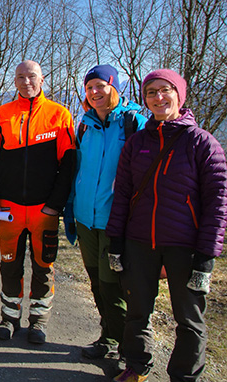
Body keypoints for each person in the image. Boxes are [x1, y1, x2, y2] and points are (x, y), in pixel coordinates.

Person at [106, 69, 227, 382]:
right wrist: (116, 241)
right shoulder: (136, 143)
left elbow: (218, 204)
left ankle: (185, 376)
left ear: (179, 94)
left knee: (189, 320)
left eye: (165, 90)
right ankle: (136, 366)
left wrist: (206, 257)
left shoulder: (202, 143)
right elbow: (122, 195)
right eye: (151, 93)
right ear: (145, 99)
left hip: (184, 246)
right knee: (137, 311)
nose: (158, 98)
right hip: (139, 242)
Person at [0, 60, 76, 344]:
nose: (26, 82)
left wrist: (55, 205)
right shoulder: (1, 115)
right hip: (8, 210)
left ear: (42, 79)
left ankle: (39, 321)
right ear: (15, 81)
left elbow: (68, 165)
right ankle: (9, 318)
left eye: (31, 76)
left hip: (43, 210)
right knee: (9, 265)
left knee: (43, 266)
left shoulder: (59, 114)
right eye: (20, 77)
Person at [67, 65, 147, 361]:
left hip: (116, 220)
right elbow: (78, 170)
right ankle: (109, 337)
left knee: (114, 287)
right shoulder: (85, 124)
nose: (94, 92)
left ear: (114, 86)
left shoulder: (133, 123)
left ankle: (127, 350)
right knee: (97, 282)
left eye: (100, 86)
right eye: (89, 88)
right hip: (86, 218)